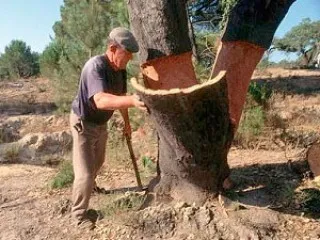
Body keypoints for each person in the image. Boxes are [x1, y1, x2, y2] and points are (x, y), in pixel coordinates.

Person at [69, 27, 144, 229]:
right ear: (112, 48)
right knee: (84, 173)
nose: (128, 60)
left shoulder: (119, 71)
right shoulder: (95, 67)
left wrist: (127, 123)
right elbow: (101, 100)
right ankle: (78, 215)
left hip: (101, 123)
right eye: (126, 55)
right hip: (83, 123)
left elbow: (120, 98)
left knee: (98, 162)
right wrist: (131, 100)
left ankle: (90, 187)